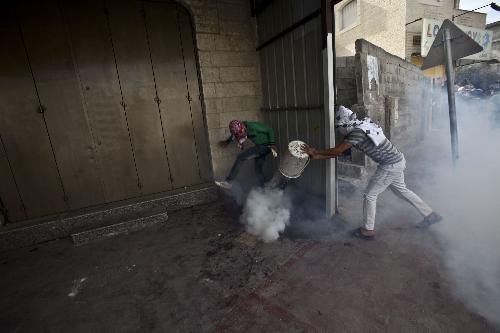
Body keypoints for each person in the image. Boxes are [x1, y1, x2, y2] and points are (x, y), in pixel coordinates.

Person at [302, 106, 442, 240]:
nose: (339, 130)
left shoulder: (357, 132)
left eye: (339, 126)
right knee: (402, 191)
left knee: (370, 195)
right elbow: (338, 153)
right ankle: (430, 214)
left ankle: (368, 230)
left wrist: (315, 151)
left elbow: (337, 151)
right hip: (397, 160)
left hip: (390, 165)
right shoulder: (362, 125)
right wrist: (317, 156)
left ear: (344, 123)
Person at [215, 120, 277, 189]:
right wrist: (227, 142)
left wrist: (272, 144)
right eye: (238, 134)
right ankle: (265, 187)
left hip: (265, 146)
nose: (240, 135)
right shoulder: (240, 128)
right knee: (258, 170)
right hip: (261, 146)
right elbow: (234, 135)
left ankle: (229, 182)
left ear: (243, 127)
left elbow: (269, 129)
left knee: (240, 158)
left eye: (241, 133)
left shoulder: (253, 127)